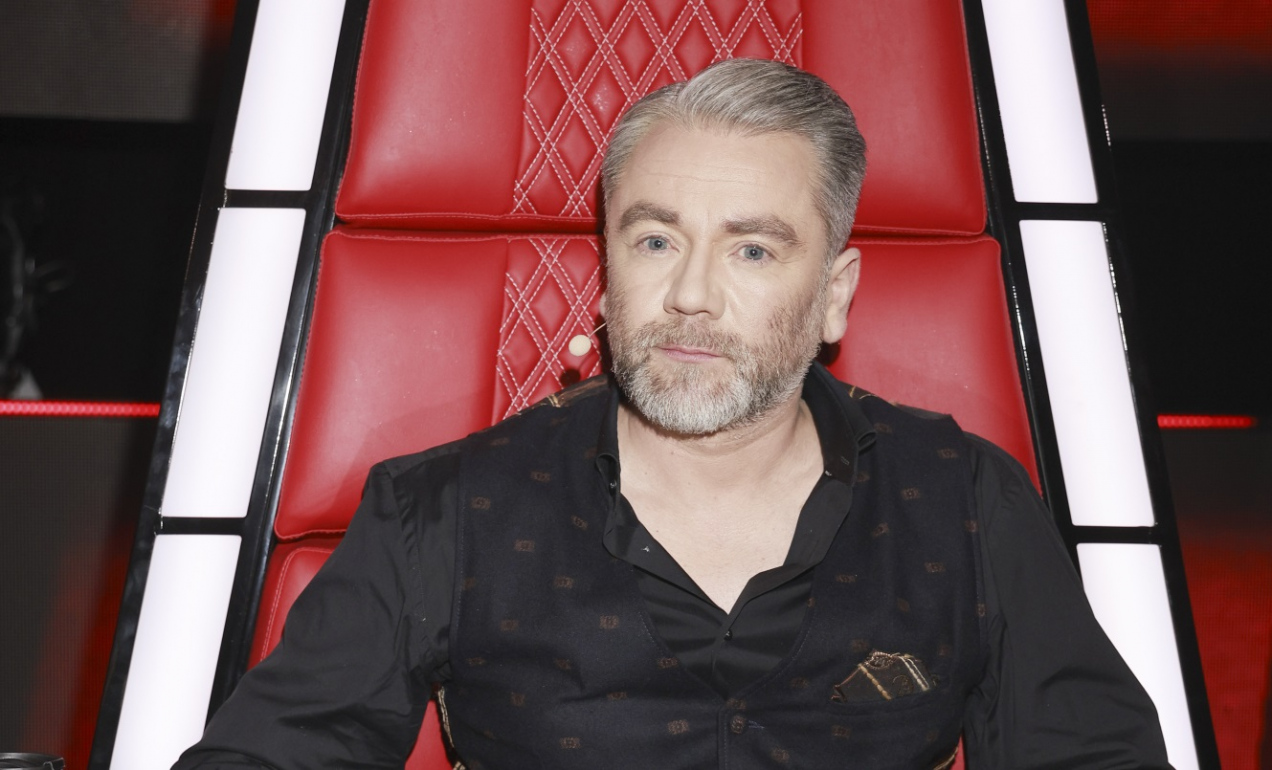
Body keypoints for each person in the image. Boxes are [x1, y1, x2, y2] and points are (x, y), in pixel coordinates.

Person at [174, 59, 1172, 769]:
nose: (691, 294)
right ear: (607, 270)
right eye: (655, 241)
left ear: (834, 294)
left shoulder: (966, 502)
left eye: (752, 249)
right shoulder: (441, 510)